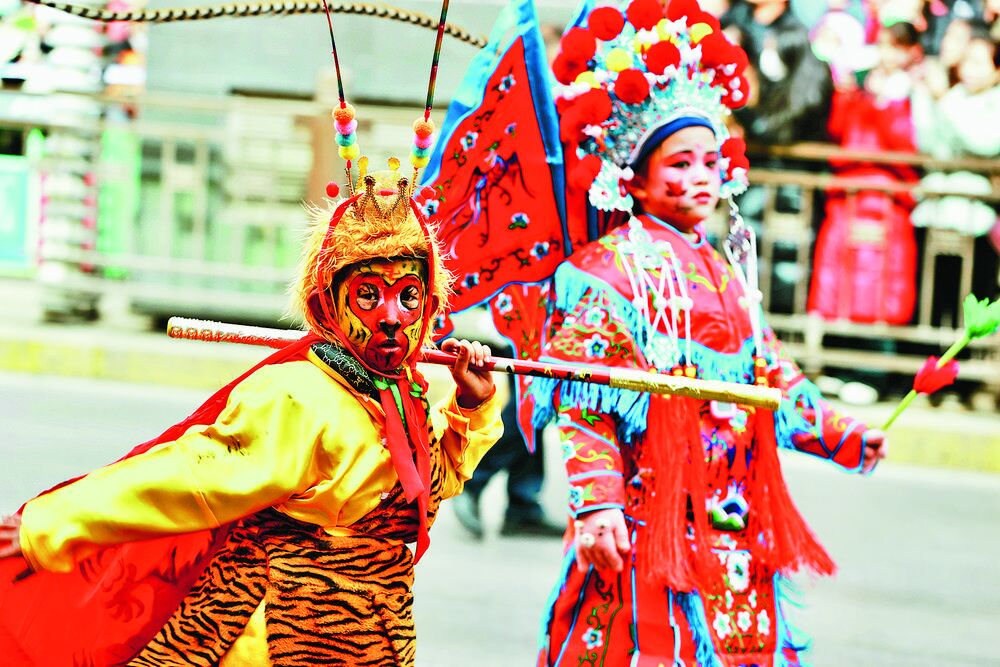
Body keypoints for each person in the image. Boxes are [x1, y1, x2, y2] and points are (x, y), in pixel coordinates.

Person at [0, 167, 503, 666]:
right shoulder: (297, 397)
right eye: (368, 295)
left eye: (408, 296)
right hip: (280, 632)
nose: (391, 317)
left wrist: (470, 405)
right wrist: (46, 526)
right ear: (327, 304)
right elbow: (185, 478)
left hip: (377, 634)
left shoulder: (400, 392)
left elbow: (427, 485)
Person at [532, 2, 888, 664]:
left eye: (708, 161)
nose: (700, 177)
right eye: (679, 163)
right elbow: (585, 399)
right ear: (634, 178)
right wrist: (597, 505)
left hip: (736, 517)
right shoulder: (608, 272)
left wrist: (842, 434)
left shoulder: (723, 268)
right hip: (648, 516)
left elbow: (770, 374)